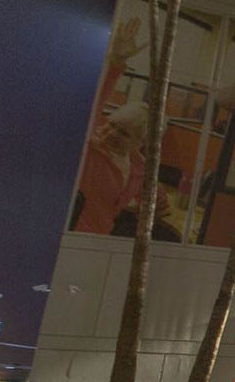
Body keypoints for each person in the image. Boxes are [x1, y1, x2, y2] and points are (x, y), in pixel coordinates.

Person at [71, 17, 170, 234]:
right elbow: (93, 103)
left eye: (123, 133)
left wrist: (155, 199)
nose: (111, 132)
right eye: (111, 125)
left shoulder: (138, 167)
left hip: (100, 239)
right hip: (73, 236)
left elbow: (152, 201)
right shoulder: (89, 149)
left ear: (140, 142)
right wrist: (115, 64)